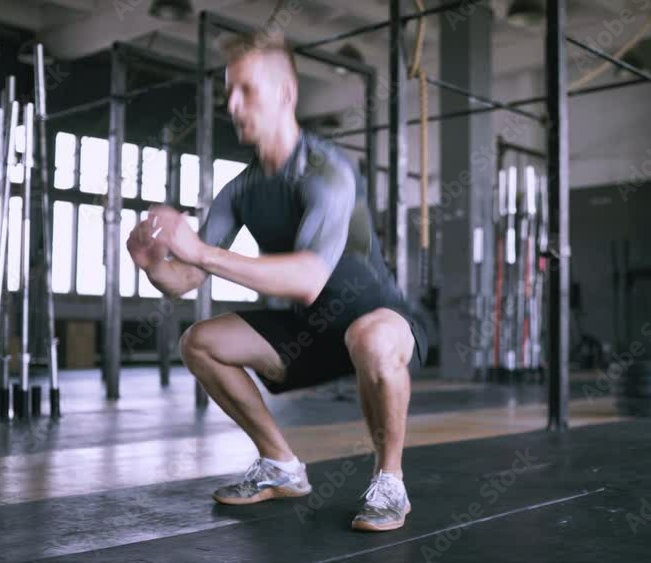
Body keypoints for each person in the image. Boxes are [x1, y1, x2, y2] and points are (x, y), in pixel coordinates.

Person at [126, 30, 426, 533]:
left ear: (285, 93)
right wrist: (153, 262)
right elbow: (185, 280)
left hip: (377, 321)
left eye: (247, 90)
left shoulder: (326, 169)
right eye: (229, 94)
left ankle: (390, 480)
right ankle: (281, 465)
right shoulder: (240, 189)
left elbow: (309, 276)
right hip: (308, 330)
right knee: (200, 342)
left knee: (370, 337)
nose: (234, 105)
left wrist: (199, 250)